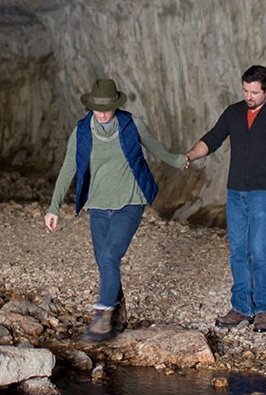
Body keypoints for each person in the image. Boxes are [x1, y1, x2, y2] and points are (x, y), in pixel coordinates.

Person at [44, 78, 187, 342]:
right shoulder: (82, 131)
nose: (102, 113)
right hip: (97, 204)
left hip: (129, 201)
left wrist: (179, 161)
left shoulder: (131, 125)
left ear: (116, 105)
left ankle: (101, 317)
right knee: (104, 262)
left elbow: (155, 148)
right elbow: (68, 168)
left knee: (110, 256)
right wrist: (53, 207)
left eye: (107, 108)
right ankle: (118, 311)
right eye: (98, 108)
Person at [183, 65, 266, 333]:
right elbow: (212, 139)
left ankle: (263, 309)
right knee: (238, 250)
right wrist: (190, 155)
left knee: (259, 250)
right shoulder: (234, 113)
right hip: (235, 191)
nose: (249, 96)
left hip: (264, 192)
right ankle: (241, 307)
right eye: (245, 91)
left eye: (254, 92)